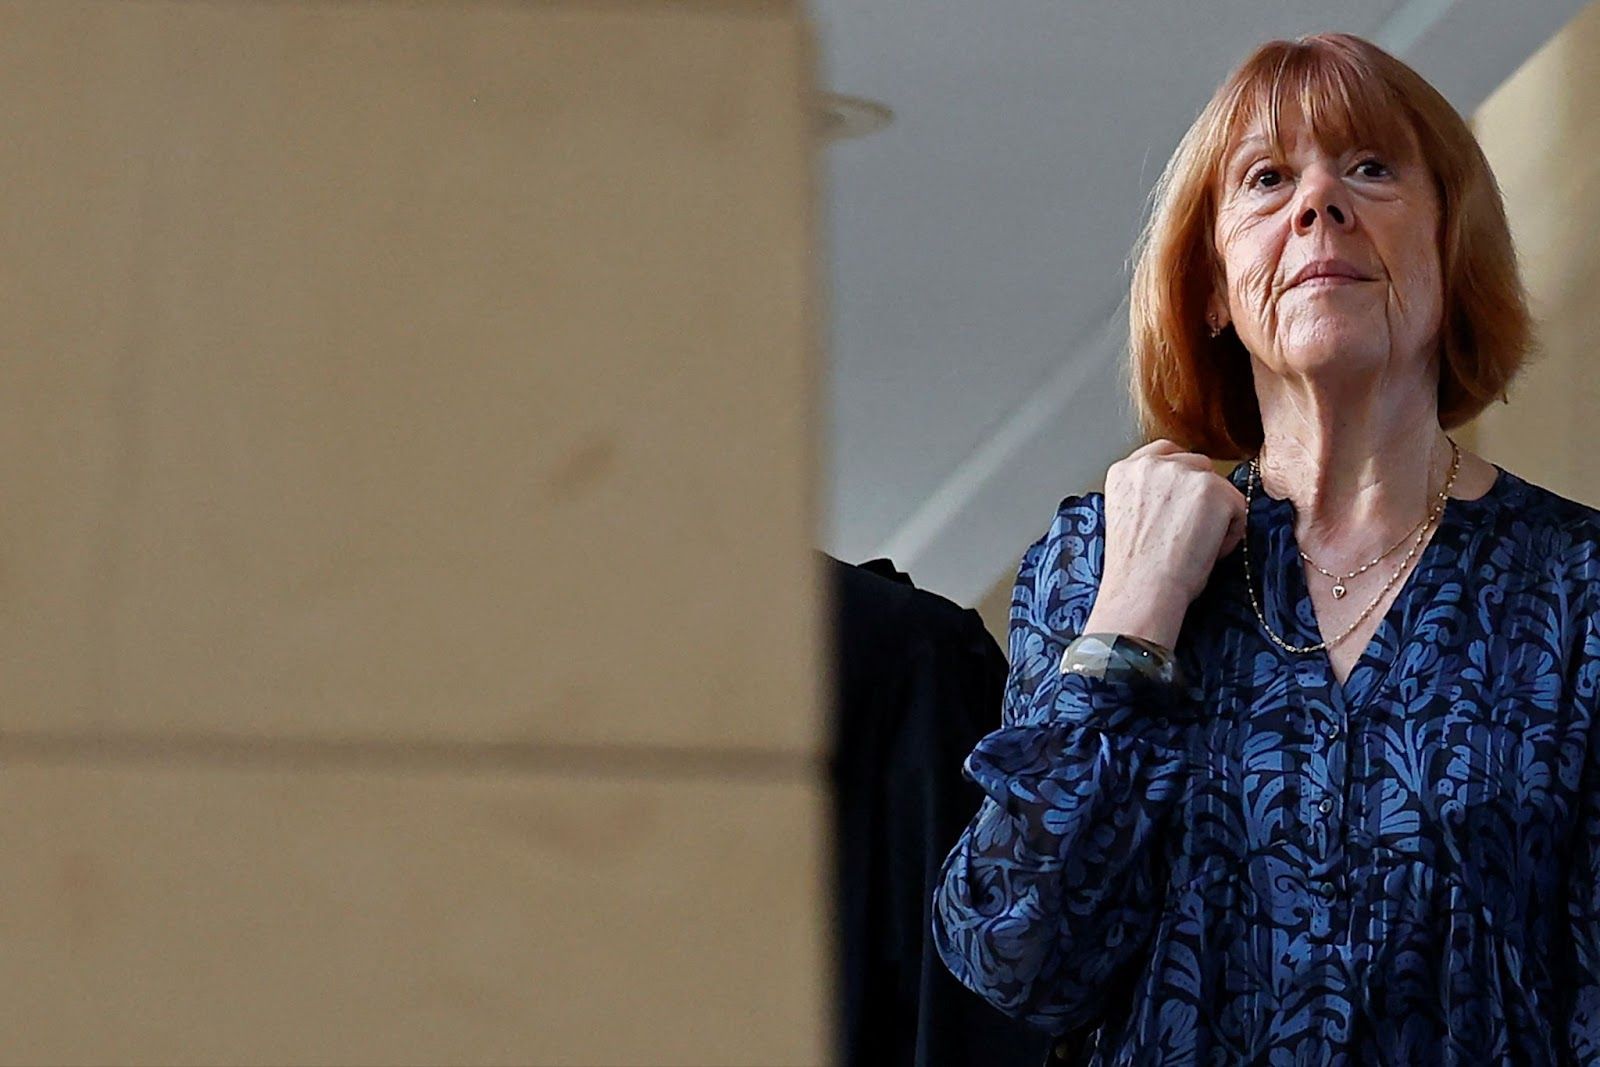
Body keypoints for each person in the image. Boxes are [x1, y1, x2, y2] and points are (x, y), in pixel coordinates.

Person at [932, 32, 1600, 1064]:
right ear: (1211, 284)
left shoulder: (1579, 588)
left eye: (1371, 169)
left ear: (1449, 244)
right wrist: (1136, 610)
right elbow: (1016, 952)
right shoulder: (1091, 558)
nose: (1319, 204)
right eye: (1267, 178)